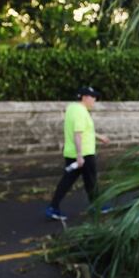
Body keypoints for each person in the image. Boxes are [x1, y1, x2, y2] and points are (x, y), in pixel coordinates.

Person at [45, 87, 110, 220]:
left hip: (71, 152)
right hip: (84, 154)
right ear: (84, 97)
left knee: (69, 181)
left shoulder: (72, 108)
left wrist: (99, 137)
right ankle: (96, 207)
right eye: (92, 97)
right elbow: (78, 134)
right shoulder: (81, 111)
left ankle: (53, 207)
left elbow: (83, 130)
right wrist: (80, 155)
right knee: (91, 181)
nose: (94, 100)